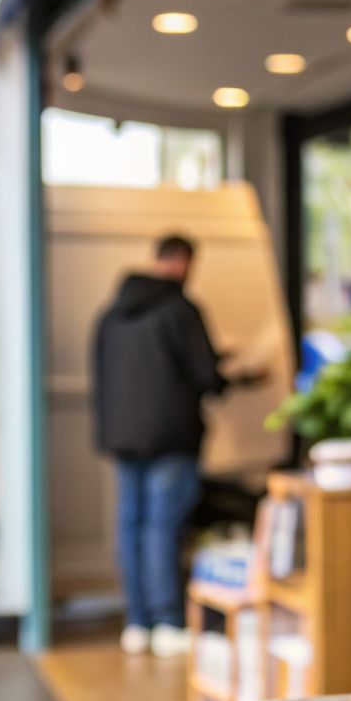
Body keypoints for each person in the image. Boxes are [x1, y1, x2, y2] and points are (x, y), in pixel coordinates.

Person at [92, 234, 239, 657]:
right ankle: (170, 622)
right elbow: (206, 376)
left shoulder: (111, 314)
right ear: (184, 262)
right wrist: (235, 374)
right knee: (163, 529)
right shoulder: (180, 310)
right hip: (171, 437)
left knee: (132, 527)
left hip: (123, 438)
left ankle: (137, 622)